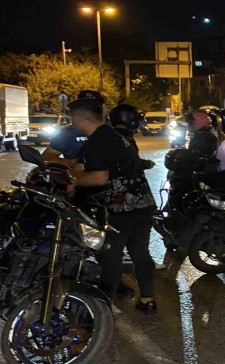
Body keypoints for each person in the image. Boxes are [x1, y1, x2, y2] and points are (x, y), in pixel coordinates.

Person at [70, 95, 158, 314]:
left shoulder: (100, 140)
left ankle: (104, 308)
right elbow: (81, 165)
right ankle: (147, 300)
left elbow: (98, 177)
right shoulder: (114, 137)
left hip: (119, 208)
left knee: (110, 256)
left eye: (72, 118)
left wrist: (71, 182)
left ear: (80, 118)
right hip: (142, 203)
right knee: (140, 253)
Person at [42, 90, 104, 166]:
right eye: (84, 108)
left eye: (94, 108)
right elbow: (47, 156)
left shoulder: (112, 132)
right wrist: (72, 163)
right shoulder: (67, 132)